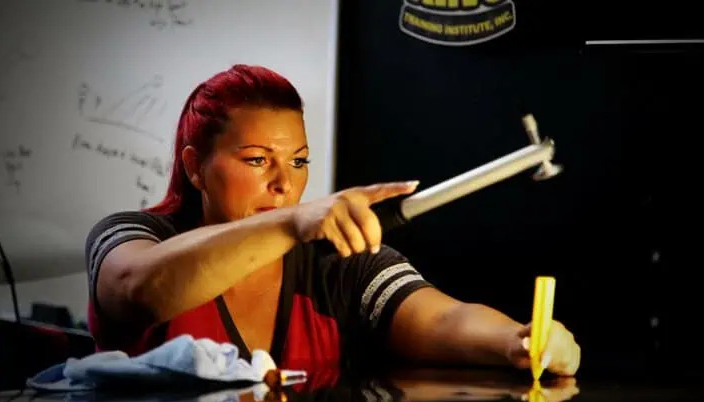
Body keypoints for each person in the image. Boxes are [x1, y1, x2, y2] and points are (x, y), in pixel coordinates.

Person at [85, 64, 580, 375]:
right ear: (195, 167)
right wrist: (291, 223)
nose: (285, 184)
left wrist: (518, 340)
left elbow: (442, 316)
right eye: (258, 160)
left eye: (299, 161)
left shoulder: (335, 263)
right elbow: (136, 291)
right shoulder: (134, 235)